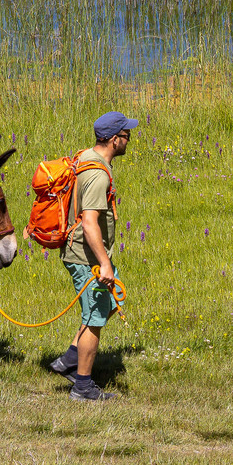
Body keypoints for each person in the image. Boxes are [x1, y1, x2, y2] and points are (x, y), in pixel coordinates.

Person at [48, 111, 135, 401]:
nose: (129, 139)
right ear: (113, 139)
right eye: (126, 135)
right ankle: (82, 387)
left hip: (89, 254)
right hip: (87, 257)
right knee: (95, 317)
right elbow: (88, 222)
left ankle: (69, 359)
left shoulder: (85, 156)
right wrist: (105, 262)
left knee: (113, 301)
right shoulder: (97, 175)